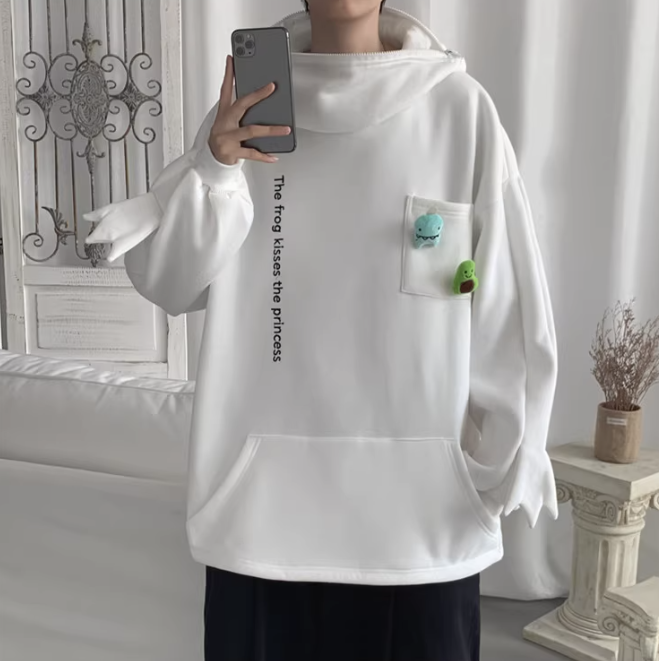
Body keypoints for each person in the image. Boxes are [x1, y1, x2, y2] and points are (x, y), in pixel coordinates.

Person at [85, 1, 559, 659]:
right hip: (261, 526)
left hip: (421, 527)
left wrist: (507, 452)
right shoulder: (247, 112)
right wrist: (215, 170)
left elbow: (504, 300)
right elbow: (172, 282)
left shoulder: (459, 110)